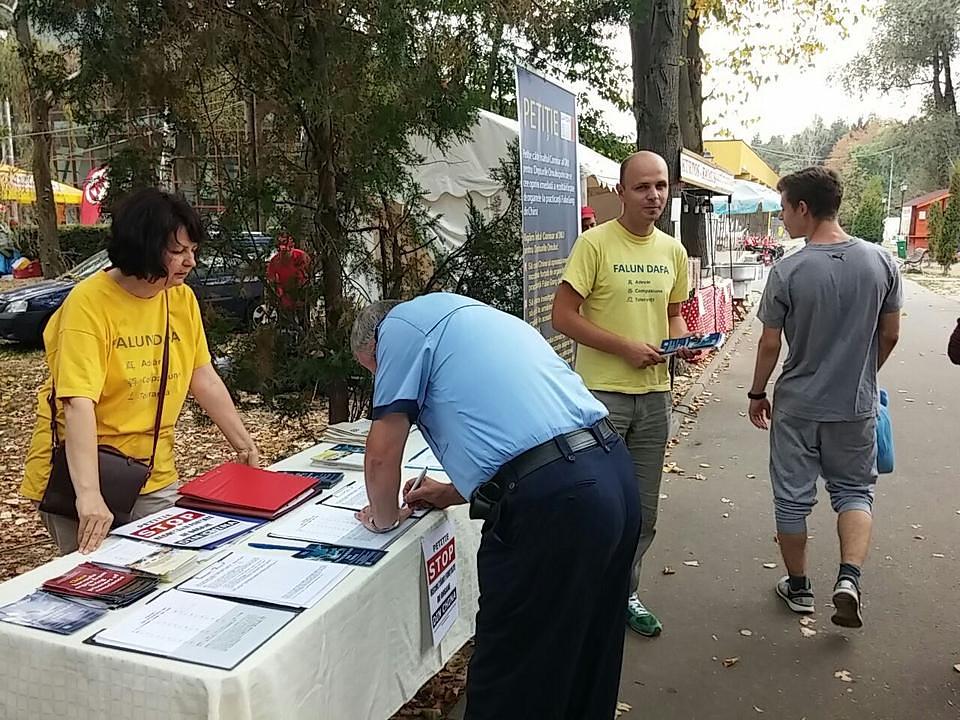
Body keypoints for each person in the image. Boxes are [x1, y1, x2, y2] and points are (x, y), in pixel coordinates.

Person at [350, 293, 640, 720]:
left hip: (557, 504)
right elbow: (515, 422)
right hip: (610, 470)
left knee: (511, 677)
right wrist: (454, 490)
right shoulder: (463, 312)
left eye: (374, 370)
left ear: (374, 345)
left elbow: (380, 454)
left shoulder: (399, 327)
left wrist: (383, 517)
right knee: (586, 659)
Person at [21, 188, 260, 555]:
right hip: (83, 473)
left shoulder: (180, 299)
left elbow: (202, 375)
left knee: (169, 571)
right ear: (143, 248)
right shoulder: (87, 305)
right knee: (97, 587)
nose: (190, 261)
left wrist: (242, 442)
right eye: (178, 251)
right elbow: (77, 403)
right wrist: (89, 496)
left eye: (193, 250)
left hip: (152, 470)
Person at [747, 166, 901, 629]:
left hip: (797, 406)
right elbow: (890, 334)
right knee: (855, 491)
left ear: (803, 208)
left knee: (792, 500)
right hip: (855, 405)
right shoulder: (881, 262)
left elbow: (770, 343)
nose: (781, 218)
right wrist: (860, 375)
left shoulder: (789, 269)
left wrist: (757, 392)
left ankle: (798, 588)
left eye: (783, 208)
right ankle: (848, 579)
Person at [552, 150, 694, 638]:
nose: (653, 196)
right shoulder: (594, 245)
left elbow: (674, 313)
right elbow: (563, 317)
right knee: (595, 504)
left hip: (655, 397)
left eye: (660, 186)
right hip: (600, 397)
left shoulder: (673, 252)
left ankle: (623, 592)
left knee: (642, 511)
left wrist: (678, 344)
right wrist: (624, 347)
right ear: (621, 192)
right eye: (642, 187)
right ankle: (583, 596)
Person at [266, 232, 311, 311]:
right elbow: (272, 282)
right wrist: (281, 296)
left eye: (286, 245)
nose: (285, 250)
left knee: (302, 319)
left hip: (302, 295)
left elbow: (310, 274)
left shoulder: (302, 256)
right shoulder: (274, 262)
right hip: (284, 297)